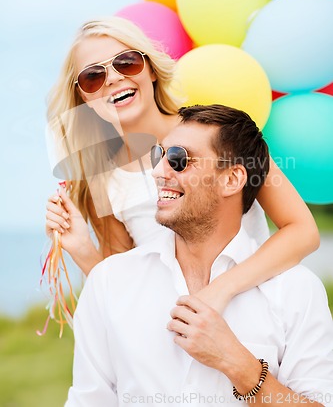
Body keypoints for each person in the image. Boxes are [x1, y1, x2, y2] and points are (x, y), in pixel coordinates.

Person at [45, 16, 319, 313]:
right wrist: (83, 251)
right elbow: (122, 292)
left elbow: (302, 231)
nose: (112, 79)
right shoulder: (104, 181)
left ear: (150, 69)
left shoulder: (220, 130)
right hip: (175, 336)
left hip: (257, 313)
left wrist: (220, 291)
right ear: (82, 96)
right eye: (92, 77)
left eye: (126, 62)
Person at [66, 104, 333, 406]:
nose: (157, 172)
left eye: (179, 160)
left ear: (231, 180)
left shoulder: (297, 292)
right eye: (159, 156)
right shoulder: (108, 282)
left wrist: (239, 364)